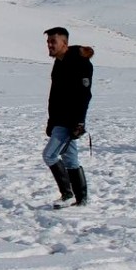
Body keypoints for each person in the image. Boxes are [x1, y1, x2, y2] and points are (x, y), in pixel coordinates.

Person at [42, 26, 94, 208]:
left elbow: (84, 95)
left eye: (53, 42)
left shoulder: (81, 63)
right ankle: (81, 199)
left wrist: (79, 121)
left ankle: (67, 194)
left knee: (49, 155)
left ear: (65, 43)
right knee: (71, 160)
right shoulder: (59, 63)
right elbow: (54, 95)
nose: (49, 45)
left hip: (70, 121)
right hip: (59, 120)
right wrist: (51, 121)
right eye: (48, 42)